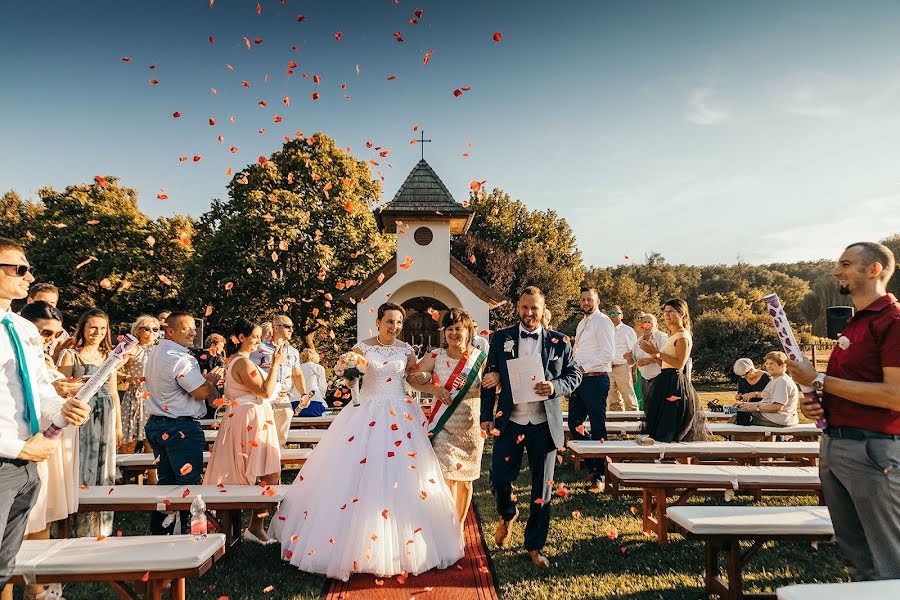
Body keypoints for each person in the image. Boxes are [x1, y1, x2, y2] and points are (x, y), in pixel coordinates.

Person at [270, 303, 464, 581]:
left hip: (400, 414)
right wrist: (349, 376)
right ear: (378, 321)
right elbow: (349, 375)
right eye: (389, 321)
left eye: (398, 322)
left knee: (405, 476)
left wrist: (434, 388)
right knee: (359, 472)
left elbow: (412, 380)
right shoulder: (362, 348)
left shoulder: (406, 350)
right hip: (366, 412)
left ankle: (405, 544)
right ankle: (350, 542)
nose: (394, 326)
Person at [787, 241, 900, 581]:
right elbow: (845, 386)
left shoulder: (892, 321)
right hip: (836, 445)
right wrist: (817, 403)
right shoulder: (854, 325)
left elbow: (895, 396)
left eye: (847, 264)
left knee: (889, 560)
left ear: (874, 269)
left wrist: (819, 380)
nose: (837, 271)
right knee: (858, 560)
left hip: (873, 450)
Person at [0, 237, 89, 589]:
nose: (29, 276)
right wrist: (17, 448)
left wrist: (62, 409)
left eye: (29, 268)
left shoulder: (21, 328)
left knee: (4, 564)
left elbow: (38, 388)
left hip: (28, 463)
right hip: (10, 454)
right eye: (19, 268)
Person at [481, 287, 582, 568]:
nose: (529, 313)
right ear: (518, 307)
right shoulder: (501, 338)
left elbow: (574, 375)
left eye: (534, 308)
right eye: (525, 307)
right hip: (510, 421)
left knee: (542, 489)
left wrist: (555, 386)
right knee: (500, 476)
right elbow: (490, 378)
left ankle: (535, 546)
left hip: (544, 426)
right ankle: (508, 512)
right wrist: (485, 417)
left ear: (542, 308)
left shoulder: (561, 341)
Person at [143, 311, 222, 535]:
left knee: (166, 482)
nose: (193, 332)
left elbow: (176, 384)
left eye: (193, 328)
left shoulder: (156, 352)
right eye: (186, 328)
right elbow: (199, 393)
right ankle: (189, 532)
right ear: (170, 331)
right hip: (181, 428)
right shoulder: (181, 358)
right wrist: (212, 381)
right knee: (188, 484)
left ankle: (160, 530)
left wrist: (201, 380)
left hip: (157, 423)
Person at [407, 308, 486, 531]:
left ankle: (459, 526)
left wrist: (496, 378)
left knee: (465, 481)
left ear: (468, 330)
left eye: (458, 329)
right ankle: (446, 528)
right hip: (443, 428)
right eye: (449, 329)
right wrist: (434, 388)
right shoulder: (435, 356)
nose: (453, 333)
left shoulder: (480, 358)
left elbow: (494, 385)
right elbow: (412, 378)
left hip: (470, 429)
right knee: (448, 478)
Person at [205, 319, 282, 543]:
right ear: (239, 337)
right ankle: (249, 528)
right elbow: (266, 391)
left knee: (266, 473)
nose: (259, 340)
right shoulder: (242, 363)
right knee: (265, 473)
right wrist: (276, 364)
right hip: (250, 419)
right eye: (254, 336)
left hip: (251, 416)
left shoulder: (241, 361)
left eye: (260, 336)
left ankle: (254, 527)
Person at [57, 308, 121, 538]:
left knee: (103, 465)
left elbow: (113, 393)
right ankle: (73, 525)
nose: (98, 332)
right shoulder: (70, 355)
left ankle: (99, 526)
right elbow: (59, 390)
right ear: (83, 327)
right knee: (81, 465)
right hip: (80, 415)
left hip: (105, 414)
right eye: (93, 327)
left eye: (102, 328)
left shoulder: (110, 356)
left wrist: (118, 425)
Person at [638, 299, 705, 443]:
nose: (666, 315)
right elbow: (664, 363)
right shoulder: (672, 334)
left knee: (671, 426)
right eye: (665, 311)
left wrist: (656, 352)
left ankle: (679, 461)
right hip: (664, 380)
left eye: (671, 312)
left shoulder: (682, 336)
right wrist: (653, 354)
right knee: (660, 425)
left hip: (674, 383)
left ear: (681, 313)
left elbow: (679, 364)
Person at [568, 287, 614, 493]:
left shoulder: (602, 321)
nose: (586, 303)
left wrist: (583, 369)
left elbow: (608, 354)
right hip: (580, 380)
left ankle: (601, 475)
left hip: (596, 380)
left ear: (597, 300)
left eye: (590, 299)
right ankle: (592, 462)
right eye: (583, 300)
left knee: (598, 426)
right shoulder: (582, 323)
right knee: (574, 423)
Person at [250, 315, 306, 446]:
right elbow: (252, 372)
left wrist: (304, 393)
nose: (291, 330)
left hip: (284, 399)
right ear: (275, 327)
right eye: (288, 327)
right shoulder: (260, 348)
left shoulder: (293, 351)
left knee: (280, 441)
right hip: (263, 398)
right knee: (261, 439)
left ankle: (277, 465)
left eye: (292, 327)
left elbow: (297, 375)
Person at [119, 316, 158, 458]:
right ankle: (123, 476)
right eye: (147, 329)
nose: (151, 332)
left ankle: (153, 479)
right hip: (135, 397)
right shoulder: (132, 349)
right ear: (137, 331)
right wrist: (126, 377)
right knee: (130, 441)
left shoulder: (160, 350)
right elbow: (112, 369)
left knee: (152, 443)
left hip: (154, 398)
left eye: (155, 329)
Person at [735, 351, 799, 427]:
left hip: (778, 419)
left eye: (772, 364)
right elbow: (767, 401)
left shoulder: (782, 381)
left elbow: (777, 407)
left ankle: (732, 437)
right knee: (741, 414)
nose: (768, 366)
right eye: (767, 363)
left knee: (739, 418)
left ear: (782, 366)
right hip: (776, 417)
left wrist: (756, 408)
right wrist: (746, 404)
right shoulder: (778, 379)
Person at [627, 313, 669, 402]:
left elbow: (667, 358)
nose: (647, 325)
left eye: (650, 322)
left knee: (659, 409)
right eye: (644, 322)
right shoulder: (639, 341)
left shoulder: (661, 337)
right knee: (648, 410)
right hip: (644, 381)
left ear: (656, 325)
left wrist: (650, 360)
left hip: (659, 380)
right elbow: (632, 362)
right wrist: (629, 358)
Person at [25, 283, 69, 361]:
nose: (52, 338)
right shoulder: (13, 324)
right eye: (46, 333)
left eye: (52, 303)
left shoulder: (62, 333)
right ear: (30, 300)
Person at [607, 305, 639, 411]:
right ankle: (617, 425)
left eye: (616, 313)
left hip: (623, 367)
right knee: (613, 401)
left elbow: (634, 352)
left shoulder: (627, 330)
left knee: (629, 400)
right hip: (608, 368)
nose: (614, 316)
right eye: (611, 313)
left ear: (622, 315)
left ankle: (635, 425)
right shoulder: (606, 330)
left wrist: (633, 372)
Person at [193, 333, 226, 419]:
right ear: (213, 344)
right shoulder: (217, 357)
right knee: (211, 416)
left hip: (197, 388)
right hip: (212, 389)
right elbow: (221, 372)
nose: (222, 350)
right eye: (221, 346)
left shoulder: (196, 355)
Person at [297, 348, 328, 417]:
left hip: (295, 404)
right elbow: (323, 386)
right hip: (314, 403)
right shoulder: (319, 368)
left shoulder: (296, 368)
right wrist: (322, 396)